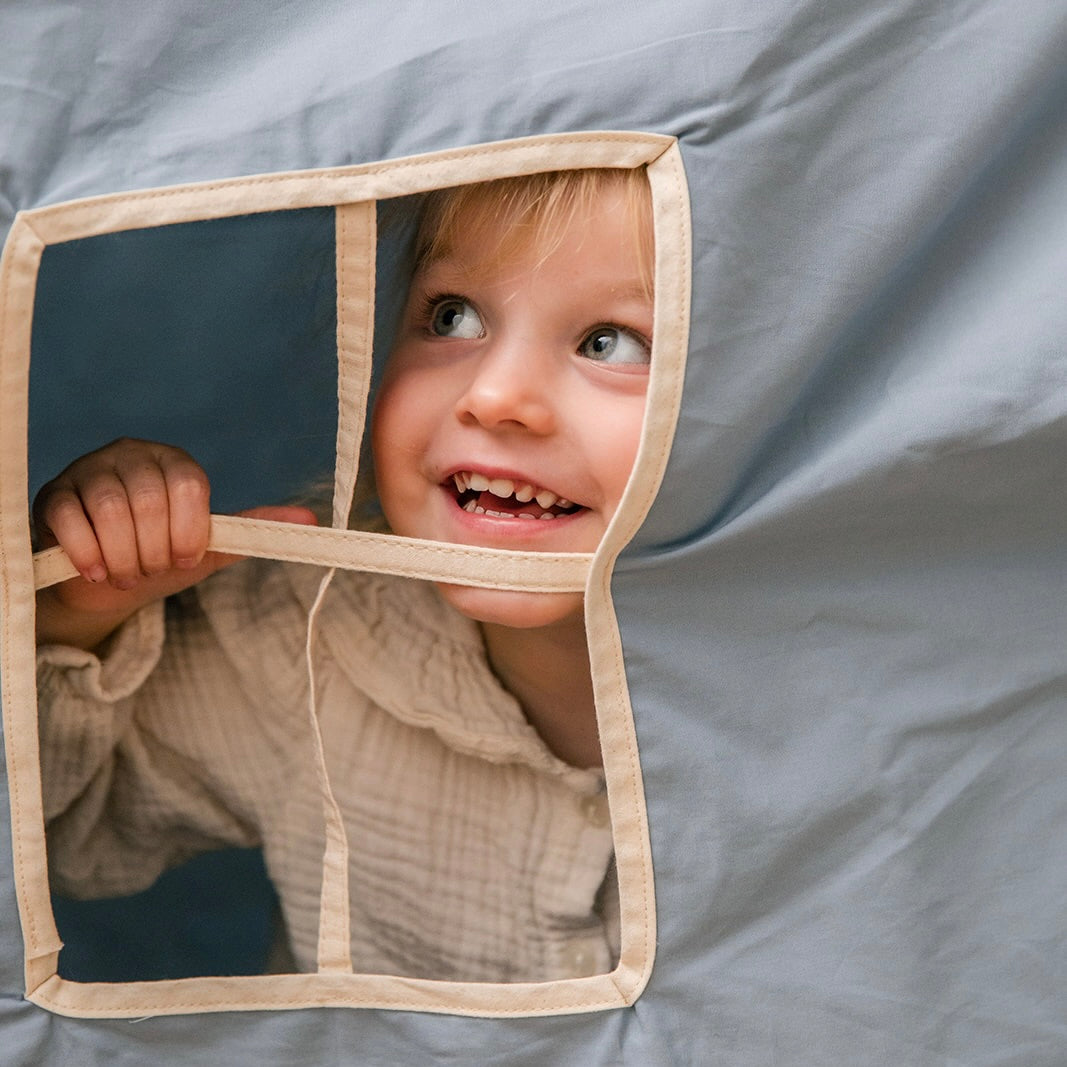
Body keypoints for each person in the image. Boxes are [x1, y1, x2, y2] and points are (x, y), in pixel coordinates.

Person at [33, 167, 654, 982]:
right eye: (452, 316)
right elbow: (59, 830)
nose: (492, 394)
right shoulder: (307, 633)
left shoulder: (845, 675)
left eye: (608, 341)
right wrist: (76, 613)